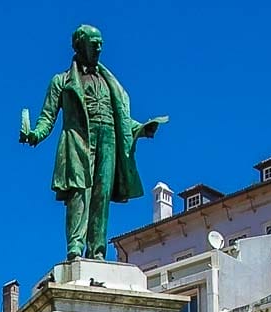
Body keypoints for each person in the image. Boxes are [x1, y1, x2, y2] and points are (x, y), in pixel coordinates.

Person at [20, 24, 165, 261]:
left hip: (108, 139)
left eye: (101, 44)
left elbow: (119, 116)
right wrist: (35, 134)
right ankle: (75, 247)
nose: (99, 47)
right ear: (79, 45)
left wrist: (140, 127)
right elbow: (47, 117)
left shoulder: (109, 81)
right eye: (93, 43)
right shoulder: (62, 81)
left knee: (101, 194)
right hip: (78, 140)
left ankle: (97, 250)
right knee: (79, 193)